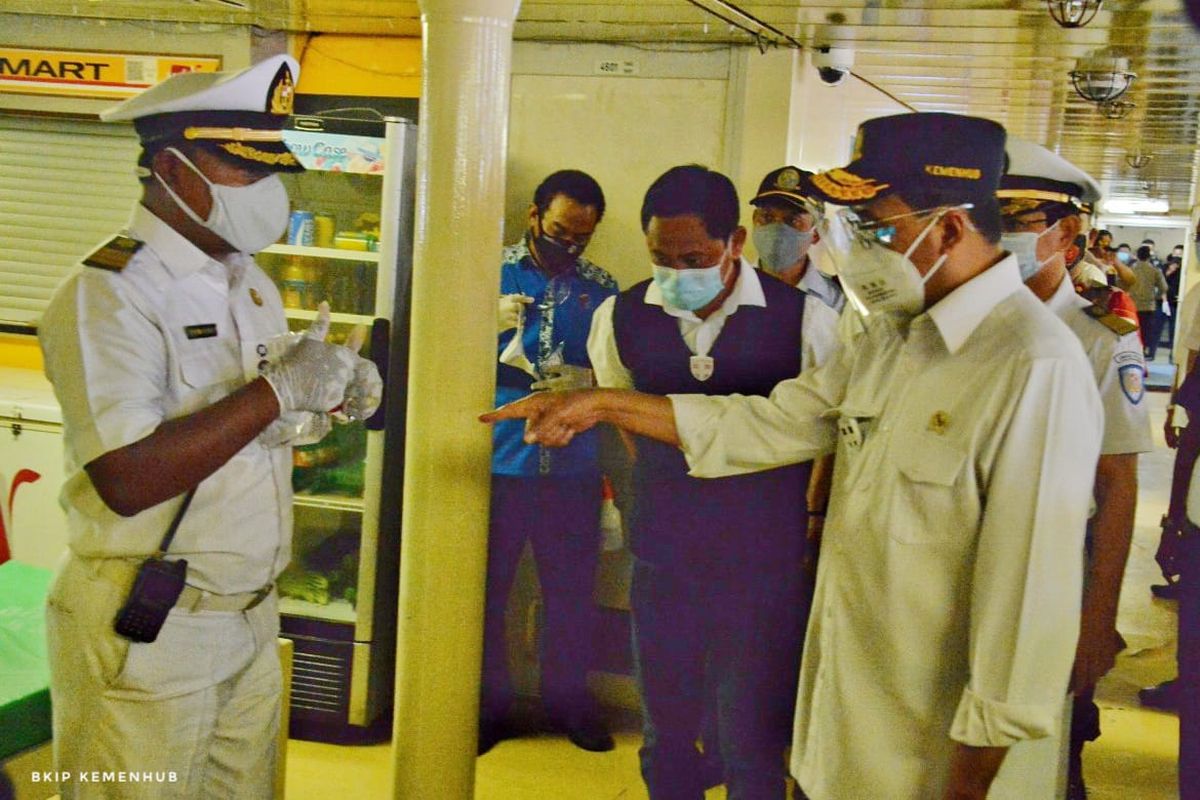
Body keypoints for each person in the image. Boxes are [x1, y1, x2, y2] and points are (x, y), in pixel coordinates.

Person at [483, 112, 1104, 800]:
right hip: (839, 725)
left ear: (950, 227)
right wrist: (602, 404)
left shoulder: (1031, 365)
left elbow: (1026, 612)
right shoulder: (891, 339)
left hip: (930, 756)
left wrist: (971, 778)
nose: (859, 249)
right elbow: (775, 421)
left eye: (875, 226)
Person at [38, 55, 381, 799]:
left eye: (272, 167)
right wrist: (276, 390)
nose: (269, 191)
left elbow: (237, 434)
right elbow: (127, 477)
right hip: (153, 625)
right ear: (171, 168)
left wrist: (318, 403)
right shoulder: (108, 294)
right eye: (244, 168)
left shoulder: (246, 278)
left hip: (250, 618)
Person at [586, 164, 810, 799]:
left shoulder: (806, 320)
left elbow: (818, 436)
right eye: (661, 257)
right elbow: (626, 416)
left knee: (750, 738)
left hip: (762, 559)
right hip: (664, 552)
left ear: (735, 242)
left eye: (695, 257)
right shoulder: (620, 315)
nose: (678, 274)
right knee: (666, 732)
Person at [997, 139, 1152, 800]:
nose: (1000, 236)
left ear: (1068, 233)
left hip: (1058, 558)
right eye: (990, 218)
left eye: (1019, 221)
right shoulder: (963, 323)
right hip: (976, 552)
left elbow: (1115, 482)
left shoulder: (1100, 337)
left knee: (1050, 748)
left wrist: (1099, 615)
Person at [481, 169, 619, 755]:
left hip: (573, 468)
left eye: (582, 237)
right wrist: (485, 328)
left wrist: (587, 381)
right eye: (561, 232)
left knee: (570, 596)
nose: (570, 246)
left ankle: (569, 702)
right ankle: (489, 706)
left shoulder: (603, 287)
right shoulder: (488, 270)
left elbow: (618, 378)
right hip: (498, 466)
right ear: (534, 216)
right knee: (486, 593)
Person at [1129, 244, 1169, 359]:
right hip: (1148, 306)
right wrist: (1155, 296)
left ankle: (1132, 354)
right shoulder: (1155, 270)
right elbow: (1164, 287)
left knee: (1132, 333)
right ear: (1149, 257)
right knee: (1146, 333)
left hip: (1132, 305)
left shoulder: (1131, 270)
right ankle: (1143, 353)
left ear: (1137, 255)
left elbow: (1121, 284)